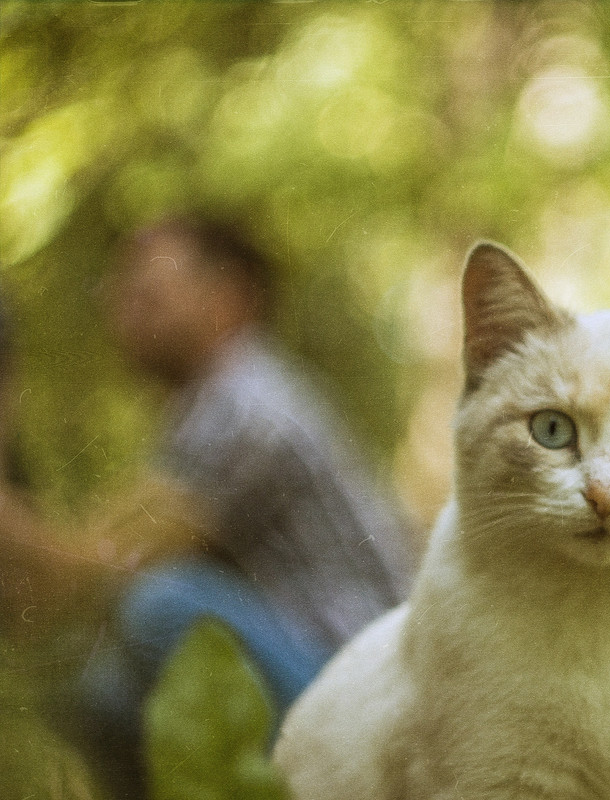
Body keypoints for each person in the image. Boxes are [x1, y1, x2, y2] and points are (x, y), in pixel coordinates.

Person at [1, 214, 414, 797]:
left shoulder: (251, 404)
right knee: (102, 689)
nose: (122, 306)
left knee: (162, 607)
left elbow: (86, 573)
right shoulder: (208, 411)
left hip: (369, 713)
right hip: (332, 686)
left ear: (230, 296)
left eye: (150, 291)